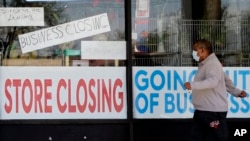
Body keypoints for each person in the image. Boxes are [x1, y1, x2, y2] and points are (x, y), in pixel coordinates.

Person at [184, 39, 247, 141]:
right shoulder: (207, 63)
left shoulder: (212, 63)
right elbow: (224, 79)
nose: (193, 53)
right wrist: (236, 92)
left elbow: (213, 81)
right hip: (203, 111)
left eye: (195, 50)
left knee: (219, 137)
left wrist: (192, 85)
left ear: (203, 50)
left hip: (212, 112)